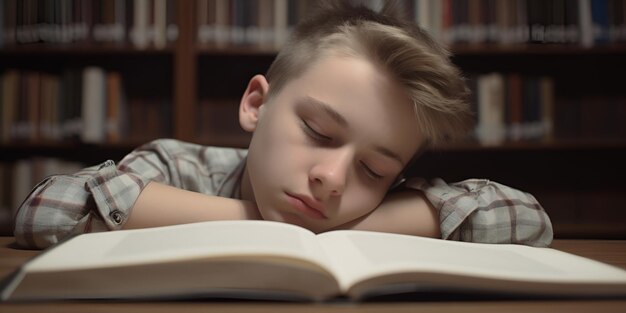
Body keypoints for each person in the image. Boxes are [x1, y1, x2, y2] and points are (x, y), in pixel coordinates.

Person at [13, 1, 552, 249]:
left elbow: (527, 218)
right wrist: (270, 224)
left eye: (374, 167)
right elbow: (45, 209)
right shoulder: (174, 166)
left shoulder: (398, 202)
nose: (335, 179)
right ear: (256, 104)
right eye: (318, 132)